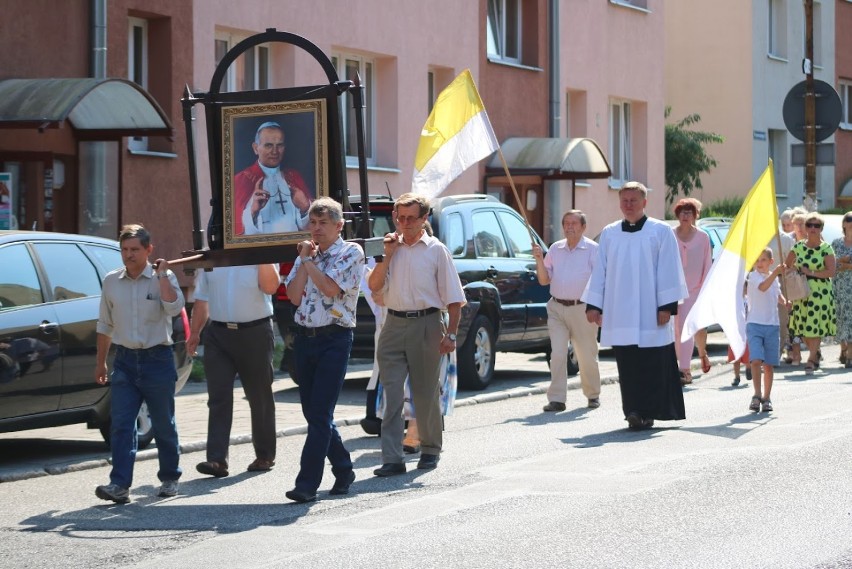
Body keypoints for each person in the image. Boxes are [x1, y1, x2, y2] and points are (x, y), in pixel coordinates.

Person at [368, 192, 465, 475]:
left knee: (425, 393)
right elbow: (374, 286)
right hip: (394, 324)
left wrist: (452, 335)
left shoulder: (436, 250)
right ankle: (392, 458)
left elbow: (455, 299)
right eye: (400, 217)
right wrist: (387, 256)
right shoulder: (388, 247)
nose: (405, 223)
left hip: (427, 323)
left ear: (424, 219)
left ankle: (431, 449)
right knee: (392, 394)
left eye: (411, 218)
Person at [583, 181, 688, 430]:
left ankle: (648, 411)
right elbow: (600, 271)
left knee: (651, 363)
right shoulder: (609, 233)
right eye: (624, 200)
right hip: (620, 310)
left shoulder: (660, 231)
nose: (628, 205)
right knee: (627, 364)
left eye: (633, 200)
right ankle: (632, 411)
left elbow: (669, 268)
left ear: (644, 202)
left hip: (650, 310)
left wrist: (666, 305)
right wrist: (593, 305)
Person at [94, 224, 185, 503]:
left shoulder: (163, 276)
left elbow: (173, 308)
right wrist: (101, 364)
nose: (129, 255)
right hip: (124, 361)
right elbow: (104, 324)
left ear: (149, 250)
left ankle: (170, 477)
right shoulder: (111, 281)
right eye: (124, 249)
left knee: (163, 423)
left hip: (157, 359)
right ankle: (119, 484)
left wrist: (163, 278)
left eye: (135, 249)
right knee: (121, 424)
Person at [283, 197, 364, 502]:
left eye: (323, 223)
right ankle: (343, 467)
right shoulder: (307, 254)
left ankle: (307, 484)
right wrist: (306, 260)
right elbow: (292, 295)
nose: (316, 229)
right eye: (312, 223)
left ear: (339, 225)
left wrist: (308, 262)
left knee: (319, 413)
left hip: (335, 338)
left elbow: (331, 288)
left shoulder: (350, 253)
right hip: (305, 337)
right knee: (314, 413)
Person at [187, 263, 280, 478]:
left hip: (255, 332)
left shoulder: (257, 250)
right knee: (218, 396)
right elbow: (202, 297)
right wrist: (194, 333)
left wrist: (259, 255)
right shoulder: (211, 259)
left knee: (259, 396)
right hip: (218, 334)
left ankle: (265, 455)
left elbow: (271, 287)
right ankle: (217, 460)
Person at [532, 209, 602, 411]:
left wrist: (598, 308)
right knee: (558, 353)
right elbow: (544, 280)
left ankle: (592, 394)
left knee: (586, 354)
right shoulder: (555, 249)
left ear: (583, 227)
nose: (569, 227)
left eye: (574, 223)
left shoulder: (592, 249)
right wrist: (539, 259)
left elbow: (599, 281)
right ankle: (557, 399)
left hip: (582, 309)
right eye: (566, 223)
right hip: (556, 308)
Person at [234, 121, 312, 236]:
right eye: (268, 145)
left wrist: (305, 208)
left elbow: (314, 227)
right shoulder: (240, 180)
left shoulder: (294, 177)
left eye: (279, 145)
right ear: (256, 148)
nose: (275, 151)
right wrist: (252, 212)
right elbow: (236, 232)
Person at [784, 212, 836, 375]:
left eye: (816, 226)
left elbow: (831, 272)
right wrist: (792, 274)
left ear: (821, 229)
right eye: (809, 225)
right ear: (805, 228)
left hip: (820, 294)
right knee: (803, 329)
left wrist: (810, 272)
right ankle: (816, 352)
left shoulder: (826, 248)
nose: (812, 229)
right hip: (801, 294)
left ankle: (811, 359)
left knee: (815, 327)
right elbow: (787, 266)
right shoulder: (798, 247)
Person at [671, 198, 712, 384]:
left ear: (695, 216)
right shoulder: (670, 235)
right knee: (674, 331)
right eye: (682, 212)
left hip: (694, 291)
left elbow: (707, 263)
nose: (685, 215)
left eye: (689, 212)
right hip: (672, 290)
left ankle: (685, 370)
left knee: (687, 329)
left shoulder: (703, 237)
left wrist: (705, 290)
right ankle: (676, 366)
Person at [745, 248, 787, 413]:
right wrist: (776, 272)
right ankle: (756, 394)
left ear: (770, 261)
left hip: (772, 325)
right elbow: (763, 287)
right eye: (757, 260)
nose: (759, 263)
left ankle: (767, 398)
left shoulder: (774, 279)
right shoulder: (753, 277)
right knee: (755, 360)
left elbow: (777, 295)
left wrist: (785, 302)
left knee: (769, 365)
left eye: (763, 260)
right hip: (754, 323)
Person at [831, 212, 852, 368]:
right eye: (848, 220)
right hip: (839, 287)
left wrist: (848, 266)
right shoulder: (836, 243)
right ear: (844, 224)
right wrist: (840, 262)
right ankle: (843, 348)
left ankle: (850, 353)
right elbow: (829, 264)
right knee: (840, 318)